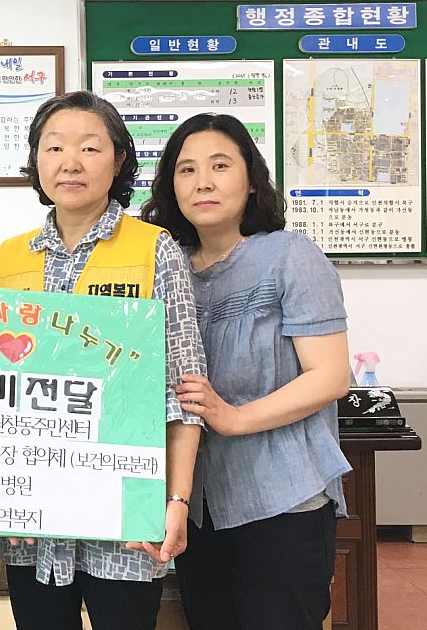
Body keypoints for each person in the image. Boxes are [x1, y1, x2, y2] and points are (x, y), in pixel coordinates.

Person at [0, 90, 205, 630]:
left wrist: (176, 499)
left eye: (89, 147)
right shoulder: (9, 257)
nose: (70, 162)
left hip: (124, 512)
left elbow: (184, 389)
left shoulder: (155, 249)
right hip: (30, 515)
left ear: (118, 160)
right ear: (36, 161)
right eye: (53, 147)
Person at [140, 112, 351, 629]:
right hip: (196, 505)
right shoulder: (164, 266)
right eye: (186, 169)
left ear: (251, 180)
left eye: (220, 166)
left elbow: (330, 376)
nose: (203, 182)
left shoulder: (289, 255)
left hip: (282, 498)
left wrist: (234, 417)